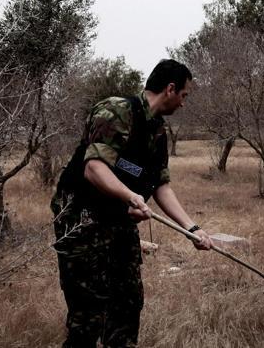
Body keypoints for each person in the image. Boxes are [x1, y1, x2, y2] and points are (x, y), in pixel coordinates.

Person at [50, 59, 213, 348]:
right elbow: (94, 169)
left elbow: (161, 185)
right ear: (170, 89)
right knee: (88, 314)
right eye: (185, 95)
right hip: (81, 221)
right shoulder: (117, 111)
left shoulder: (158, 132)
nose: (184, 104)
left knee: (127, 303)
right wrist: (131, 196)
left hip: (118, 221)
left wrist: (192, 228)